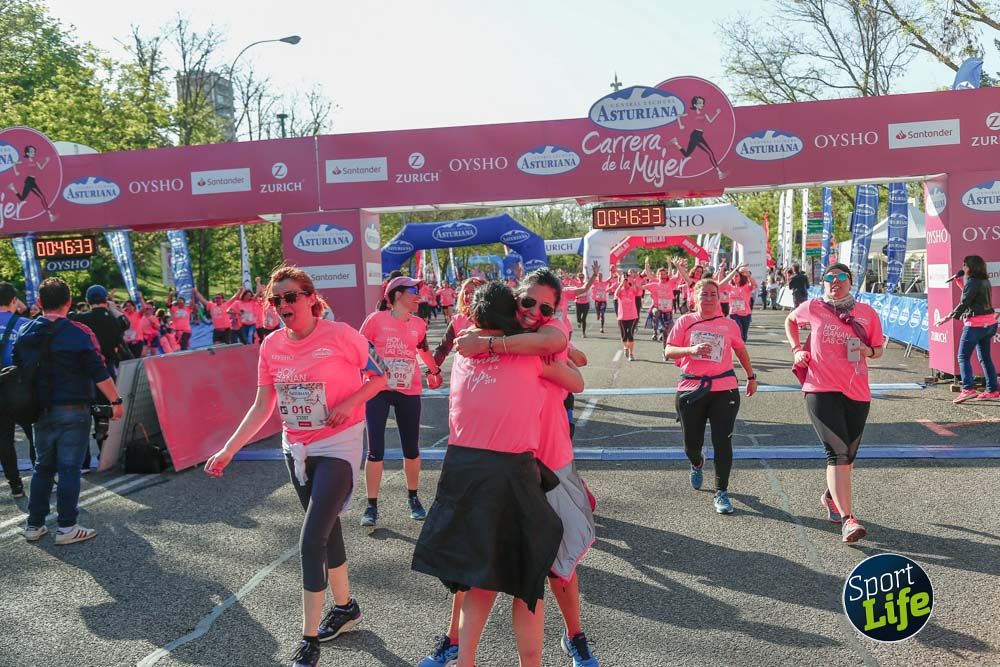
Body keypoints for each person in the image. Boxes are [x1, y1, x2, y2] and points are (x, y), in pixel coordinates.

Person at [204, 266, 388, 667]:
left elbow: (379, 376)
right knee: (327, 529)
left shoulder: (340, 336)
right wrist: (229, 449)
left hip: (339, 445)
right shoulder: (271, 346)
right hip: (297, 448)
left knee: (310, 540)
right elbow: (262, 406)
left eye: (290, 297)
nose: (283, 305)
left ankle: (308, 640)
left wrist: (348, 404)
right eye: (276, 300)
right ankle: (346, 608)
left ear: (310, 299)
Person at [411, 281, 582, 667]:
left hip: (463, 474)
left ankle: (465, 660)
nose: (533, 311)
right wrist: (560, 354)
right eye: (525, 304)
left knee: (479, 579)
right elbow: (576, 380)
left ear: (473, 316)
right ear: (512, 312)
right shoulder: (531, 355)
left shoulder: (466, 352)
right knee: (526, 586)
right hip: (514, 474)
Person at [17, 278, 124, 546]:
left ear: (39, 303)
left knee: (42, 467)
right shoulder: (79, 332)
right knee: (68, 469)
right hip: (73, 408)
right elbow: (98, 371)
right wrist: (115, 400)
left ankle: (34, 524)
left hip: (39, 410)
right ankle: (67, 527)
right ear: (68, 302)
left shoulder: (26, 333)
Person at [785, 263, 884, 543]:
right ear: (823, 282)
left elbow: (878, 349)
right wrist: (796, 351)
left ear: (851, 282)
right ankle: (848, 520)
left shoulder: (866, 314)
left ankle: (830, 495)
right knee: (837, 454)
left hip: (857, 391)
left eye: (841, 277)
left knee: (848, 458)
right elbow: (790, 321)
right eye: (829, 278)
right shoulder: (814, 307)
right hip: (820, 388)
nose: (834, 282)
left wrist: (868, 350)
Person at [664, 278, 757, 514]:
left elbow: (740, 349)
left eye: (712, 294)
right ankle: (697, 462)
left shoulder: (729, 324)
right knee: (691, 445)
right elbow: (668, 351)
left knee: (722, 442)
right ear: (694, 297)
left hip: (724, 388)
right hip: (691, 389)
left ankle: (721, 491)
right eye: (703, 294)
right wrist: (690, 350)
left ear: (719, 298)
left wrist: (751, 376)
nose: (708, 298)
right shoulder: (685, 321)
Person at [359, 276, 443, 528]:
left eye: (419, 291)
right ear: (396, 294)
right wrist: (373, 371)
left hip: (408, 390)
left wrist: (435, 371)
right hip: (379, 390)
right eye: (413, 291)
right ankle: (371, 505)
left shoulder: (418, 323)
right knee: (376, 450)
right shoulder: (375, 320)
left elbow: (424, 350)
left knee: (411, 448)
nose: (419, 295)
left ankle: (413, 498)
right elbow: (361, 348)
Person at [71, 285, 130, 471]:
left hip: (84, 374)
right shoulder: (113, 320)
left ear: (88, 302)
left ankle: (84, 460)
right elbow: (125, 324)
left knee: (82, 417)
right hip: (107, 373)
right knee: (104, 416)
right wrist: (112, 309)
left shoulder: (79, 319)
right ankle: (105, 456)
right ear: (106, 300)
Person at [935, 255, 999, 402]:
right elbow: (973, 296)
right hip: (989, 325)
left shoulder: (972, 282)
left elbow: (965, 302)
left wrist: (948, 317)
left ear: (970, 267)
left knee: (963, 357)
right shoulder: (984, 281)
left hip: (975, 325)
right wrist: (960, 284)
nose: (962, 267)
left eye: (964, 265)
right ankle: (992, 390)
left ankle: (968, 389)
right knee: (985, 358)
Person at [0, 283, 33, 497]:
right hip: (20, 387)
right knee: (33, 434)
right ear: (14, 300)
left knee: (4, 438)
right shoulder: (25, 324)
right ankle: (42, 477)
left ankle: (15, 485)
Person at [668, 95, 727, 180]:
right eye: (699, 103)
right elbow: (678, 116)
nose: (701, 104)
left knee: (687, 154)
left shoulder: (704, 112)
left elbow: (710, 121)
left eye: (702, 103)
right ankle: (719, 173)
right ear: (695, 105)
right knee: (710, 153)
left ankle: (676, 143)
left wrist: (717, 113)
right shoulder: (691, 113)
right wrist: (680, 125)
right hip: (695, 135)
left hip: (700, 135)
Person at [432, 277, 484, 366]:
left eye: (474, 293)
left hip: (491, 374)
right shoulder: (457, 320)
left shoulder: (495, 319)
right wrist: (432, 370)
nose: (469, 297)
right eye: (466, 293)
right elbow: (443, 348)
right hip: (465, 374)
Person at [8, 145, 56, 222]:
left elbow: (41, 168)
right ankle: (50, 215)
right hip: (29, 181)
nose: (33, 153)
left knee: (22, 199)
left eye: (34, 151)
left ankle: (12, 188)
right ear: (27, 153)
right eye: (31, 151)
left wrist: (46, 161)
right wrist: (16, 172)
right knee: (42, 197)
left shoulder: (35, 160)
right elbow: (14, 163)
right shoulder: (24, 160)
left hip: (32, 181)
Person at [721, 266, 757, 342]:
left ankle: (741, 346)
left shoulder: (746, 287)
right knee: (738, 329)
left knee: (744, 335)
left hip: (746, 314)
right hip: (734, 313)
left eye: (736, 276)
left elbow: (754, 284)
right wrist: (724, 271)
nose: (735, 278)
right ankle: (737, 344)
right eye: (733, 277)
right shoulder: (730, 287)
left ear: (741, 277)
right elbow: (721, 284)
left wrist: (749, 275)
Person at [612, 272, 640, 361]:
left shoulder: (632, 289)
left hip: (632, 316)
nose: (625, 281)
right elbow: (616, 294)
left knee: (630, 335)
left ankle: (631, 354)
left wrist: (633, 282)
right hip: (622, 316)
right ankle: (625, 347)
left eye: (626, 279)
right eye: (623, 279)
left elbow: (638, 290)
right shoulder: (620, 290)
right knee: (624, 336)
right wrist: (621, 284)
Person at [573, 272, 591, 337]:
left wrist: (586, 270)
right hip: (578, 303)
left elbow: (590, 281)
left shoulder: (585, 284)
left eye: (582, 277)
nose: (581, 278)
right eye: (580, 277)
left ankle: (583, 333)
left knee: (584, 318)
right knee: (578, 316)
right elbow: (570, 279)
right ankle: (579, 322)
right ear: (578, 278)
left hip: (586, 303)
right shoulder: (576, 283)